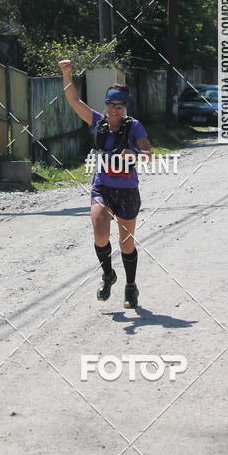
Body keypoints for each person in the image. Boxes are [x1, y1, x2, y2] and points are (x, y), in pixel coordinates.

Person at [58, 59, 152, 309]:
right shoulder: (97, 121)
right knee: (100, 235)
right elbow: (74, 102)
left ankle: (131, 286)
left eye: (119, 106)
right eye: (111, 104)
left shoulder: (134, 127)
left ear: (125, 107)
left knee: (126, 243)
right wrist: (66, 73)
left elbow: (148, 153)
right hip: (103, 187)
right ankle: (108, 275)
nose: (114, 109)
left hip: (127, 190)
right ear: (106, 104)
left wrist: (133, 155)